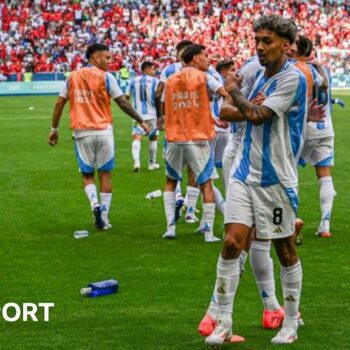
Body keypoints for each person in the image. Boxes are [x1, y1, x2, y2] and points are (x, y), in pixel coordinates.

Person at [204, 15, 308, 346]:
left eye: (268, 41)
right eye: (258, 40)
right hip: (244, 173)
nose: (260, 47)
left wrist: (238, 95)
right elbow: (229, 112)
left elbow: (257, 115)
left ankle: (290, 322)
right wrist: (246, 104)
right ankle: (222, 321)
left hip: (277, 178)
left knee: (285, 248)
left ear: (287, 45)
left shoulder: (293, 79)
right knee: (233, 242)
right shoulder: (259, 76)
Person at [48, 43, 150, 230]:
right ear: (95, 58)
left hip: (81, 132)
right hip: (104, 131)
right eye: (107, 58)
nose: (110, 62)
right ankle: (104, 217)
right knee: (105, 173)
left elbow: (59, 103)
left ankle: (94, 203)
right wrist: (141, 120)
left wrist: (54, 128)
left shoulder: (72, 77)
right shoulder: (107, 77)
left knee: (87, 175)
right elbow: (123, 103)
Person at [161, 44, 226, 242]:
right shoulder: (205, 77)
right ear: (195, 59)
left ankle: (170, 227)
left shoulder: (171, 80)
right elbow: (223, 92)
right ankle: (208, 232)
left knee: (171, 181)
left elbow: (166, 105)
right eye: (205, 56)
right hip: (197, 138)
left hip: (174, 137)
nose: (208, 59)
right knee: (205, 182)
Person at [156, 40, 201, 224]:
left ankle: (178, 198)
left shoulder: (168, 70)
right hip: (195, 127)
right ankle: (190, 211)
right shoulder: (199, 72)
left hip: (174, 127)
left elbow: (159, 93)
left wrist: (161, 116)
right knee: (194, 169)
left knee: (172, 170)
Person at [296, 35, 336, 238]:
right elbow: (325, 91)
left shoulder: (297, 69)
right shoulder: (322, 70)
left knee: (287, 170)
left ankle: (289, 219)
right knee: (324, 173)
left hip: (303, 127)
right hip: (325, 127)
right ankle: (325, 224)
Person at [126, 61, 160, 172]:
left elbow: (126, 97)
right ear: (146, 69)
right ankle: (151, 164)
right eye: (152, 69)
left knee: (137, 137)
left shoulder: (133, 81)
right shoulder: (156, 81)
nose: (154, 71)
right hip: (152, 114)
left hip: (137, 115)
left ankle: (136, 162)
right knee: (153, 137)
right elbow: (159, 97)